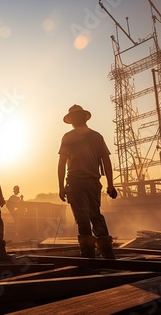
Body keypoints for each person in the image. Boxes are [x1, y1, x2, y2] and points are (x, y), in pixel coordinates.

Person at [57, 105, 118, 259]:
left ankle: (89, 259)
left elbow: (61, 163)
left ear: (72, 120)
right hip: (93, 182)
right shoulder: (97, 136)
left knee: (83, 219)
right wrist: (110, 184)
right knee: (96, 216)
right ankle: (108, 256)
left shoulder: (68, 137)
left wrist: (61, 187)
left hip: (76, 183)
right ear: (85, 117)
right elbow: (106, 161)